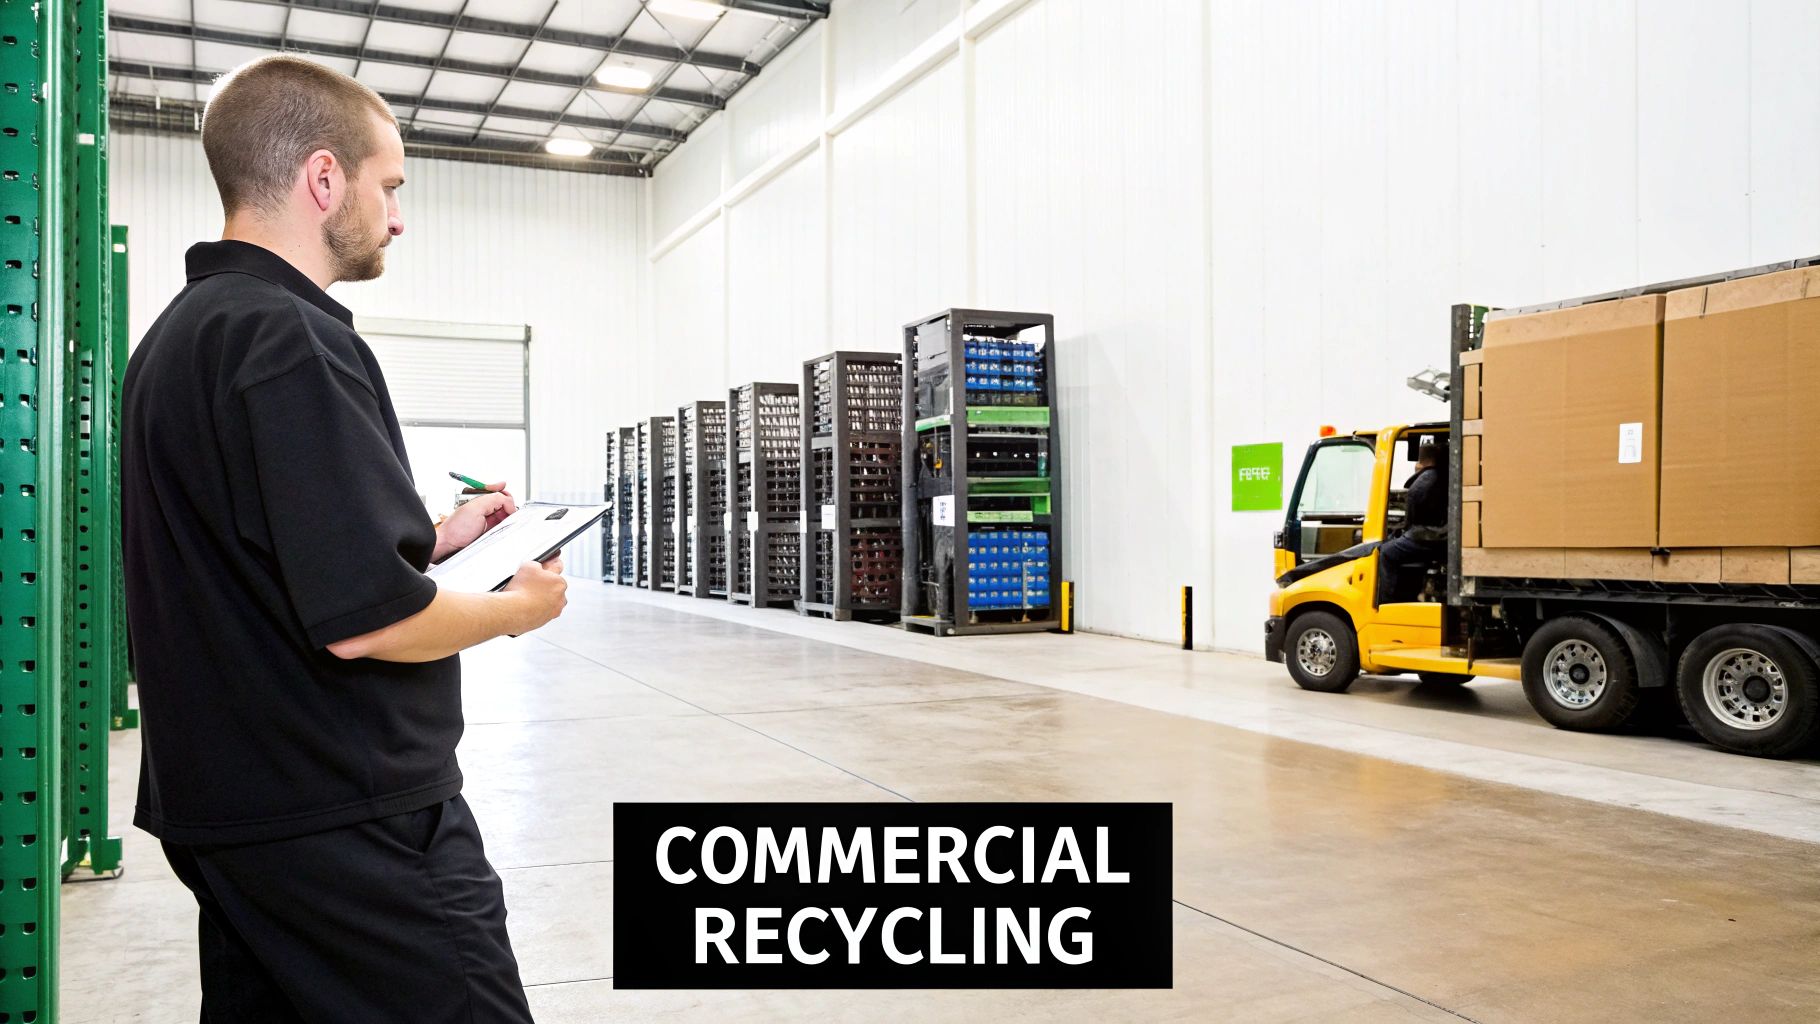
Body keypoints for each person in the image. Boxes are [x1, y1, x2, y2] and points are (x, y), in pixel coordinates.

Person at [120, 55, 565, 1022]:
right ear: (325, 180)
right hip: (348, 815)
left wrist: (438, 542)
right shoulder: (292, 338)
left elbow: (269, 559)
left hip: (238, 810)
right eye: (388, 186)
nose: (397, 217)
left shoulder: (181, 337)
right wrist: (513, 609)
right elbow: (366, 623)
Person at [1375, 439, 1449, 605]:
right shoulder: (1443, 477)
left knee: (1386, 552)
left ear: (1422, 462)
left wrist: (1399, 533)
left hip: (1429, 538)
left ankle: (1387, 602)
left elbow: (1411, 522)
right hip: (1438, 535)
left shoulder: (1422, 482)